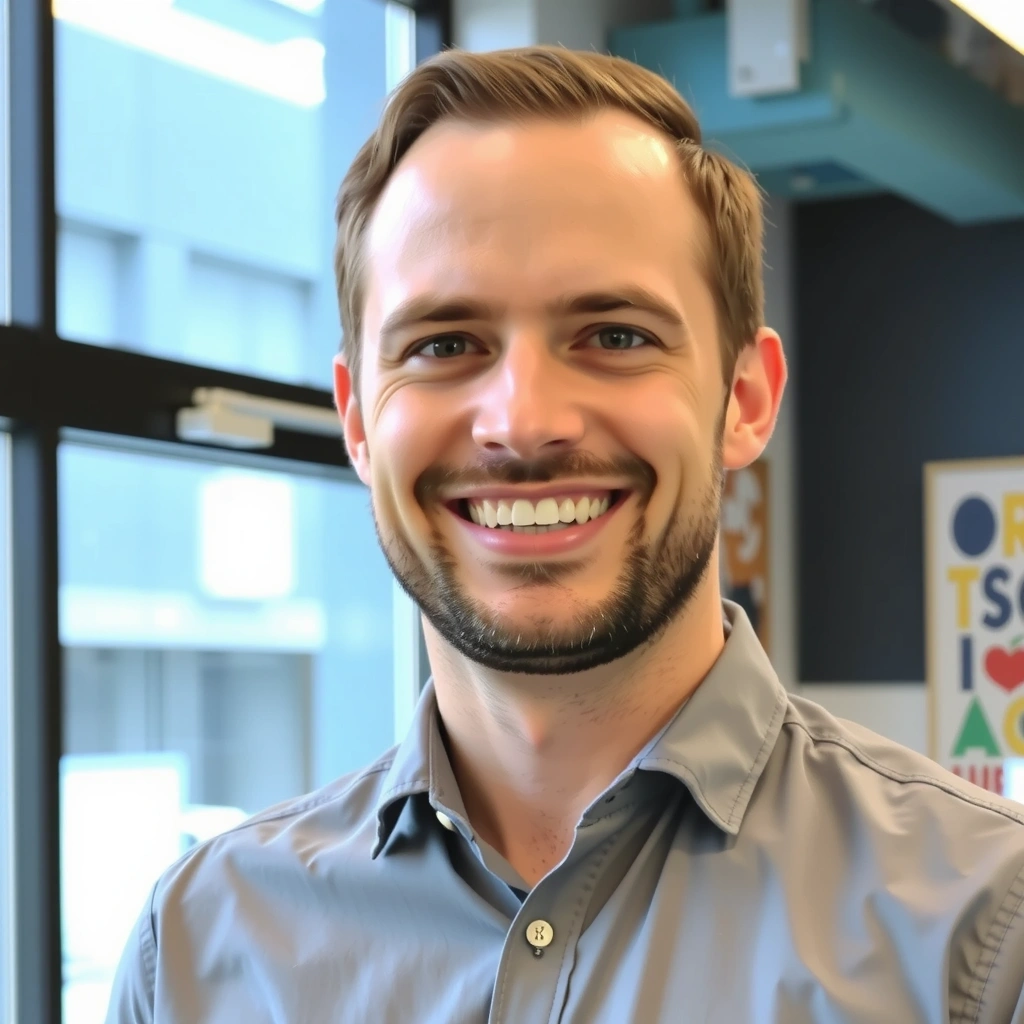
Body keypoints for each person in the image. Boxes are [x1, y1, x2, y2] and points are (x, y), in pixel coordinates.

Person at [106, 46, 1024, 1023]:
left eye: (615, 334)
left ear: (744, 398)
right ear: (359, 421)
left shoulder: (983, 927)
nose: (523, 420)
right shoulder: (201, 948)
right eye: (444, 345)